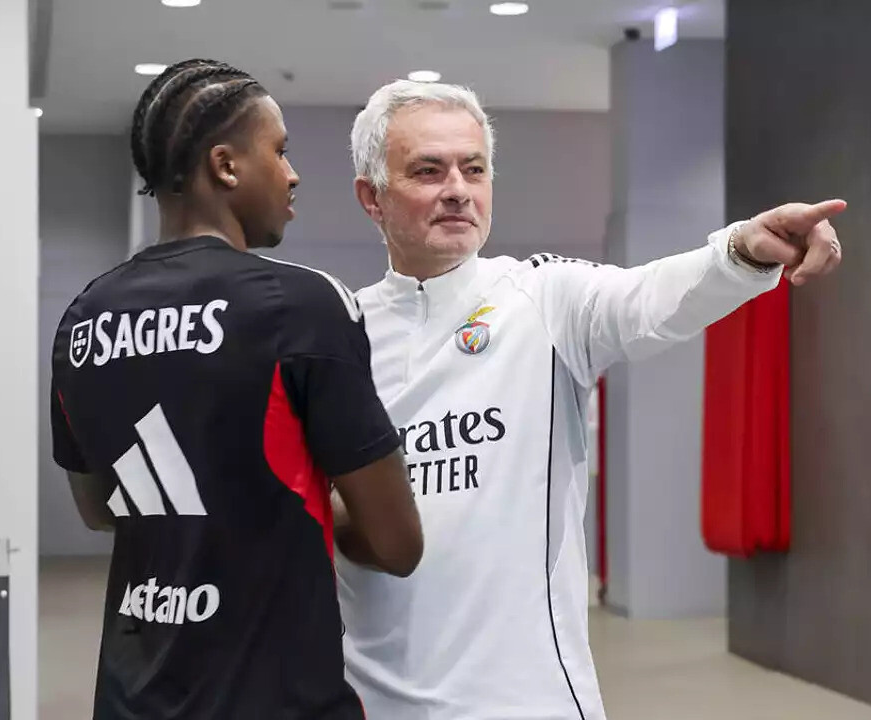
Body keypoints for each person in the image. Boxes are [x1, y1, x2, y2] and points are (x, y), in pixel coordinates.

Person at [334, 79, 844, 719]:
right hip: (371, 700)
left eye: (475, 169)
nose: (458, 189)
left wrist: (741, 252)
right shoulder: (337, 334)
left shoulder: (544, 297)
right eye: (428, 171)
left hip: (525, 702)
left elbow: (648, 299)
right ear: (372, 197)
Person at [49, 59, 423, 720]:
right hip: (275, 701)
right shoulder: (303, 305)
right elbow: (396, 544)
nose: (292, 173)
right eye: (279, 151)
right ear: (226, 166)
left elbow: (99, 508)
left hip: (131, 699)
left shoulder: (83, 318)